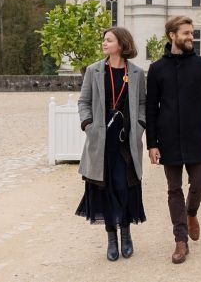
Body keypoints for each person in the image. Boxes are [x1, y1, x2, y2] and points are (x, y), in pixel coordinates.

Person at [146, 16, 201, 264]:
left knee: (199, 182)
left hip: (195, 136)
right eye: (187, 33)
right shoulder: (157, 68)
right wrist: (152, 143)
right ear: (172, 35)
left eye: (192, 33)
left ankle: (191, 213)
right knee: (174, 188)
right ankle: (180, 240)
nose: (191, 37)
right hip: (167, 138)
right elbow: (151, 109)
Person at [75, 27, 147, 262]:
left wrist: (140, 124)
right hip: (100, 139)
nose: (104, 43)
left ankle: (126, 234)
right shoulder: (94, 70)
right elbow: (84, 101)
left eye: (109, 40)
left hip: (126, 141)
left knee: (125, 186)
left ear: (122, 43)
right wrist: (87, 124)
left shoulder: (136, 72)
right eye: (104, 39)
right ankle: (111, 239)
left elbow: (143, 104)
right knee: (105, 189)